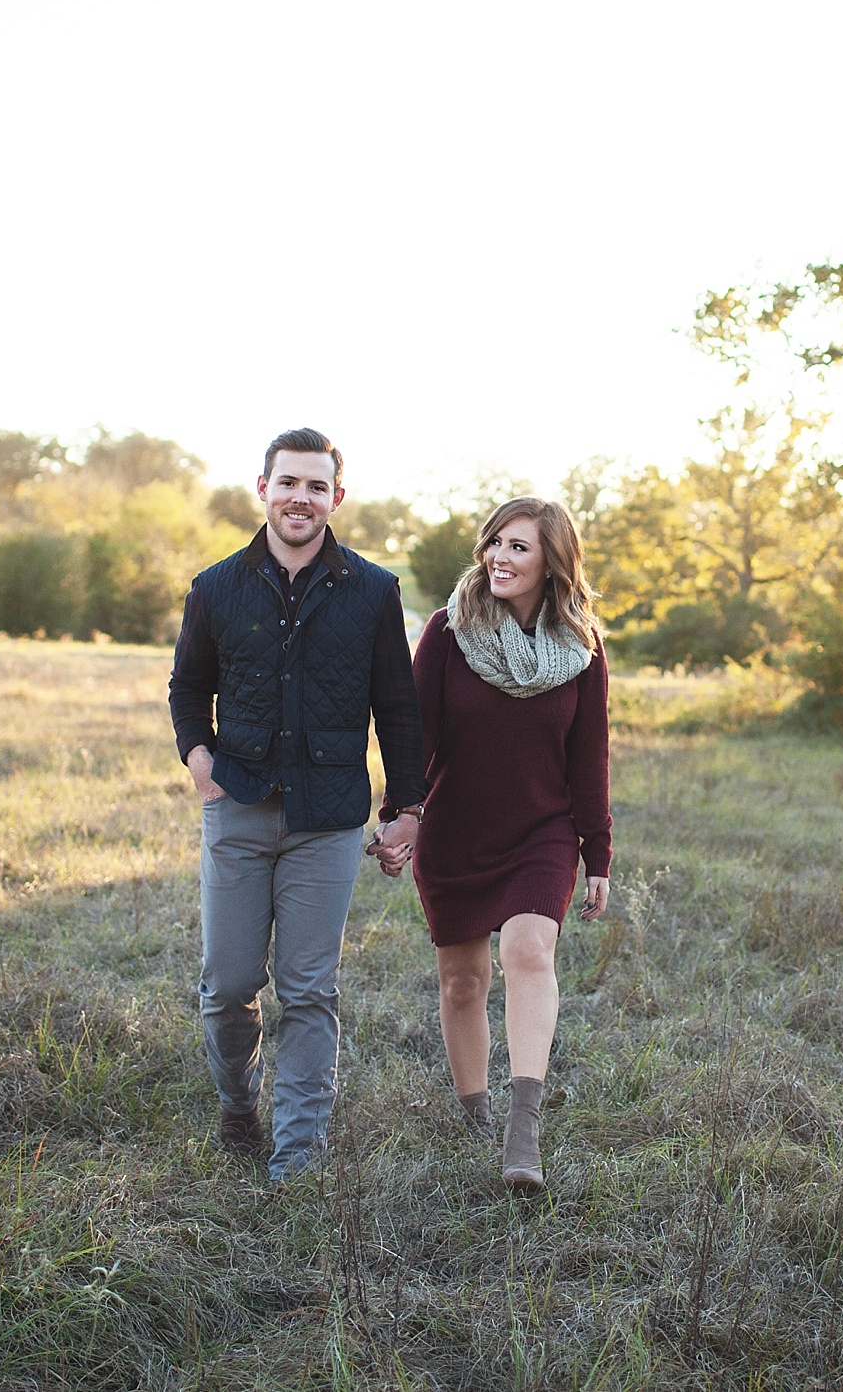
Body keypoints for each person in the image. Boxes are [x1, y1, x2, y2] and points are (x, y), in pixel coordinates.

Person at [168, 427, 426, 1182]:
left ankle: (297, 1157)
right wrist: (199, 760)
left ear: (336, 498)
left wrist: (405, 807)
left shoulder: (374, 591)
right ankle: (238, 1106)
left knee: (310, 990)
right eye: (289, 483)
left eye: (317, 487)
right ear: (264, 489)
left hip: (330, 818)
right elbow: (188, 686)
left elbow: (397, 706)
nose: (301, 499)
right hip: (239, 806)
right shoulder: (215, 587)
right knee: (229, 987)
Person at [380, 496, 611, 1190]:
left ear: (552, 563)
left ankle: (523, 1126)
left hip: (541, 830)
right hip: (457, 829)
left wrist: (595, 851)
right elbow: (416, 735)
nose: (500, 559)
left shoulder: (580, 650)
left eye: (519, 548)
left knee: (527, 949)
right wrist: (403, 814)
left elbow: (589, 758)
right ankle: (473, 1114)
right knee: (462, 983)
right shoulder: (449, 633)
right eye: (496, 544)